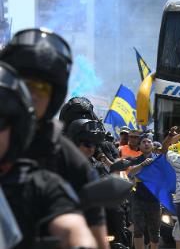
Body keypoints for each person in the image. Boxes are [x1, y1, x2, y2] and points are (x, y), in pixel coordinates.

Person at [0, 28, 109, 249]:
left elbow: (83, 233)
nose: (27, 93)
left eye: (40, 87)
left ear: (54, 96)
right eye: (22, 81)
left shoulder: (66, 161)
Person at [126, 133, 162, 249]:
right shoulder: (135, 160)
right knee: (138, 230)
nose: (146, 144)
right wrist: (142, 165)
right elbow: (130, 174)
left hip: (155, 200)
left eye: (149, 142)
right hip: (138, 199)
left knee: (155, 232)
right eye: (143, 142)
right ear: (139, 146)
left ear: (153, 144)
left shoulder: (158, 160)